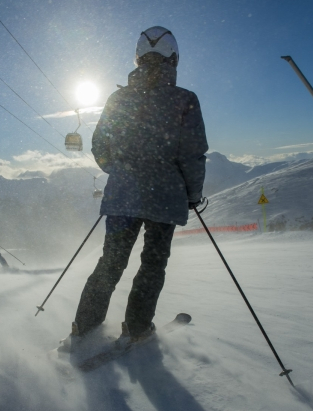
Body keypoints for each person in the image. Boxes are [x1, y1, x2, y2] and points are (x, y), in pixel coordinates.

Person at [62, 26, 208, 350]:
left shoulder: (118, 98)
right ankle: (137, 327)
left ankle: (85, 323)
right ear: (175, 59)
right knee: (153, 264)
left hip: (122, 197)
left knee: (111, 261)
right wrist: (192, 194)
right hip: (166, 199)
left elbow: (100, 144)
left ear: (138, 58)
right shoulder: (185, 100)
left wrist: (121, 171)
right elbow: (192, 155)